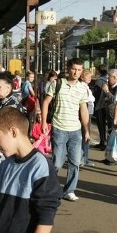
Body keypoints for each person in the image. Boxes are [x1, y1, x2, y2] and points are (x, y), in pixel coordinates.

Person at [41, 58, 91, 202]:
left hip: (75, 131)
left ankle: (69, 190)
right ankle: (52, 188)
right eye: (74, 69)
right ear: (68, 68)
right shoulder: (56, 84)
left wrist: (86, 130)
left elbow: (84, 110)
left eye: (79, 70)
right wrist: (44, 122)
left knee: (75, 162)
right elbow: (46, 102)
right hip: (59, 129)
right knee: (57, 163)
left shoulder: (83, 88)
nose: (76, 72)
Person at [92, 66, 110, 151]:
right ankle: (107, 142)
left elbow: (96, 94)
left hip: (100, 105)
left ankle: (103, 142)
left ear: (99, 71)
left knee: (101, 124)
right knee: (108, 125)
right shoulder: (108, 80)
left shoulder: (99, 81)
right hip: (108, 105)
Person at [81, 70, 96, 166]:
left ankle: (84, 158)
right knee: (85, 136)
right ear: (82, 77)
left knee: (85, 136)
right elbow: (89, 99)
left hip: (88, 112)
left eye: (90, 76)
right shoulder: (83, 87)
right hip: (86, 113)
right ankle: (84, 159)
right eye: (87, 76)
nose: (90, 78)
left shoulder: (86, 87)